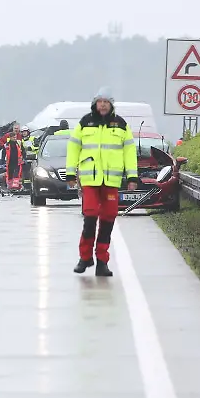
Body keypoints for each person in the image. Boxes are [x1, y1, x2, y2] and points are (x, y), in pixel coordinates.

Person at [65, 87, 140, 277]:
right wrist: (70, 174)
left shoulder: (121, 125)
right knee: (90, 216)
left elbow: (129, 152)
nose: (103, 105)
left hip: (111, 181)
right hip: (90, 179)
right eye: (100, 102)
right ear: (95, 104)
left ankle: (102, 262)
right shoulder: (85, 123)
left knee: (107, 220)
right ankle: (85, 257)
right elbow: (73, 149)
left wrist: (132, 177)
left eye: (106, 102)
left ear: (111, 105)